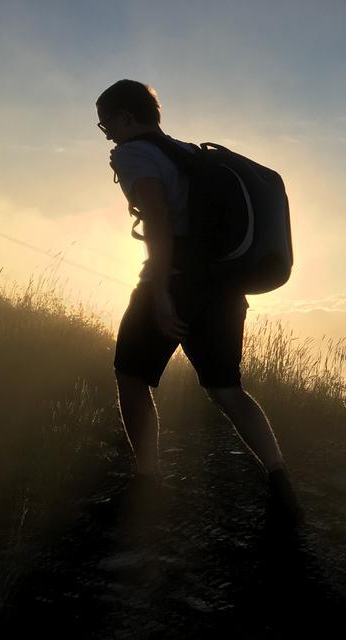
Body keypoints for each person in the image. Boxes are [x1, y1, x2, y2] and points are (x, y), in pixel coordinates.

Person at [97, 78, 304, 530]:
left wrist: (160, 294)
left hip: (178, 282)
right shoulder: (187, 152)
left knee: (131, 376)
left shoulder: (135, 153)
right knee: (227, 389)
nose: (105, 132)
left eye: (105, 122)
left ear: (126, 117)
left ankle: (147, 480)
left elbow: (157, 220)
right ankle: (279, 481)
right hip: (225, 286)